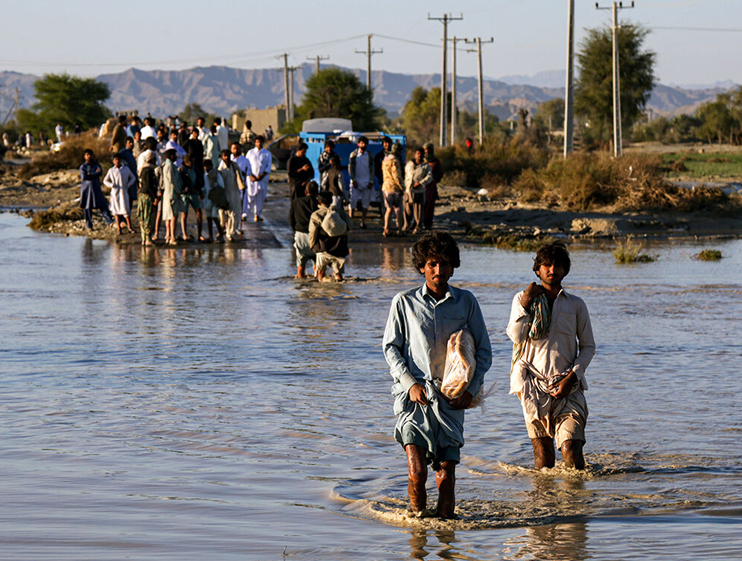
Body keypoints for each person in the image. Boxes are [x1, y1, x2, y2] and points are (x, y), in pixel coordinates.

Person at [382, 231, 492, 518]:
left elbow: (484, 353)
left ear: (453, 266)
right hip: (414, 400)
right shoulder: (403, 302)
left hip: (451, 400)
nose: (438, 270)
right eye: (432, 264)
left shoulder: (466, 302)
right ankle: (417, 530)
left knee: (445, 478)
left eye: (444, 264)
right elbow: (391, 348)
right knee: (417, 473)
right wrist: (410, 384)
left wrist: (470, 392)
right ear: (422, 266)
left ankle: (446, 540)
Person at [507, 242, 595, 470]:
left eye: (557, 265)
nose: (552, 269)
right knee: (544, 457)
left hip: (568, 386)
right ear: (538, 270)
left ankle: (576, 501)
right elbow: (516, 336)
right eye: (546, 264)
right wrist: (526, 301)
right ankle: (545, 505)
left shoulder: (576, 305)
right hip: (533, 387)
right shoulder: (522, 299)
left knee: (571, 449)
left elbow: (588, 347)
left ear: (565, 270)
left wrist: (572, 377)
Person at [309, 191, 353, 282]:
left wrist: (311, 245)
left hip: (323, 248)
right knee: (338, 275)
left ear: (319, 202)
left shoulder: (316, 214)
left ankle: (323, 293)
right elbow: (350, 225)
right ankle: (339, 293)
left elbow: (312, 232)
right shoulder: (339, 211)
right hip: (339, 247)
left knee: (321, 274)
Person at [289, 180, 319, 279]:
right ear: (317, 192)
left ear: (306, 192)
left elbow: (291, 219)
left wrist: (296, 229)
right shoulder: (319, 203)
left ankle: (301, 287)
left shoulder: (296, 202)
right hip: (315, 236)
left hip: (300, 234)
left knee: (301, 264)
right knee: (317, 263)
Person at [79, 149, 113, 230]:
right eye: (87, 155)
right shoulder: (83, 167)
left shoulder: (96, 165)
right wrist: (94, 174)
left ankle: (110, 222)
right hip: (86, 190)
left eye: (90, 154)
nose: (89, 156)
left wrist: (90, 174)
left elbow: (100, 172)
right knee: (87, 208)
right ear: (84, 156)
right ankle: (89, 225)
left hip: (96, 188)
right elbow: (84, 176)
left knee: (103, 205)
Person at [103, 153, 136, 235]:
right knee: (116, 211)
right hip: (115, 193)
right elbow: (105, 180)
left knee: (126, 211)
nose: (117, 161)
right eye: (115, 160)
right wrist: (111, 185)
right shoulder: (111, 170)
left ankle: (129, 227)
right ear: (113, 161)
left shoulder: (125, 169)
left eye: (118, 159)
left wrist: (128, 185)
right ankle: (119, 229)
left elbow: (133, 177)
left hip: (124, 192)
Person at [404, 147, 432, 234]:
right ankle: (406, 226)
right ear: (415, 154)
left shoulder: (425, 166)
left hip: (419, 191)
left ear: (423, 155)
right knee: (407, 210)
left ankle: (418, 227)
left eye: (421, 154)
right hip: (408, 190)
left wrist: (420, 183)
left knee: (418, 211)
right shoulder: (409, 164)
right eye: (418, 153)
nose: (419, 155)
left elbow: (430, 177)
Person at [348, 135, 374, 228]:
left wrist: (371, 181)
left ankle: (363, 221)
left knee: (365, 203)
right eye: (361, 143)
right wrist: (353, 180)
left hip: (367, 182)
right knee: (352, 202)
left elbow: (372, 168)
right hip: (356, 182)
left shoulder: (370, 155)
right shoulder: (354, 155)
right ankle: (350, 221)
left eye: (365, 143)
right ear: (358, 144)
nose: (363, 145)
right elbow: (350, 168)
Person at [218, 150, 243, 241]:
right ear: (222, 157)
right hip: (224, 194)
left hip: (234, 193)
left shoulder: (234, 165)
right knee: (223, 215)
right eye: (225, 156)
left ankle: (229, 233)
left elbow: (240, 179)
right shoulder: (221, 168)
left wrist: (242, 185)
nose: (227, 157)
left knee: (234, 214)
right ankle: (221, 230)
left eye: (228, 155)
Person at [160, 148, 184, 245]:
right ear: (171, 156)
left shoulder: (167, 165)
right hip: (172, 193)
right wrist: (178, 191)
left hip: (168, 193)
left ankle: (168, 236)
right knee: (173, 215)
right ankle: (172, 237)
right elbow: (172, 180)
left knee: (168, 216)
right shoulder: (170, 166)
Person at [245, 136, 271, 222]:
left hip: (261, 179)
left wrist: (261, 175)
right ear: (255, 143)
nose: (259, 143)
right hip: (251, 178)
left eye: (260, 142)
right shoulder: (250, 152)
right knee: (248, 197)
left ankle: (257, 215)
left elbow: (268, 166)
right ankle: (245, 214)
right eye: (257, 142)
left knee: (260, 198)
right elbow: (246, 164)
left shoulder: (267, 153)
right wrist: (250, 175)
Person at [382, 143, 405, 237]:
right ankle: (400, 230)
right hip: (394, 187)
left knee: (388, 209)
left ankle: (386, 229)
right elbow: (397, 176)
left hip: (386, 187)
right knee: (398, 209)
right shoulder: (394, 161)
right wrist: (402, 187)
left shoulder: (385, 159)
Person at [179, 154, 203, 241]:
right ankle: (184, 234)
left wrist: (198, 190)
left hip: (195, 193)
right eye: (191, 162)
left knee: (199, 212)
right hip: (185, 194)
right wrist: (188, 189)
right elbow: (181, 182)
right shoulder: (182, 170)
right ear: (186, 162)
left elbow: (199, 180)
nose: (192, 163)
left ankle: (199, 234)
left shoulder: (195, 169)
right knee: (184, 213)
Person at [137, 151, 159, 246]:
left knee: (143, 217)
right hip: (148, 197)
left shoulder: (143, 170)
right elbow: (149, 186)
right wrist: (155, 198)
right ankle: (148, 238)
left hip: (142, 196)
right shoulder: (149, 171)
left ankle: (144, 239)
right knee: (148, 217)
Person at [202, 158, 226, 243]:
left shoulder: (216, 174)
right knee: (208, 218)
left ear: (211, 166)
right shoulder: (205, 175)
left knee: (215, 217)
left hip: (215, 199)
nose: (206, 168)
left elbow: (221, 186)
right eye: (205, 166)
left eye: (207, 166)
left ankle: (221, 235)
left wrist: (215, 193)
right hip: (207, 199)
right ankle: (211, 236)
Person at [423, 143, 443, 230]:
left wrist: (434, 180)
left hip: (431, 187)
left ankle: (428, 224)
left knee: (430, 206)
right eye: (425, 149)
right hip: (421, 186)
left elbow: (440, 174)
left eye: (428, 149)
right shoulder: (421, 160)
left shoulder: (436, 161)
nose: (427, 151)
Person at [230, 142, 251, 221]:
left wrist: (242, 173)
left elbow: (249, 172)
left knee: (240, 203)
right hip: (230, 184)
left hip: (240, 185)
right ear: (231, 149)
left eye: (237, 149)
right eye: (234, 149)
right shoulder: (228, 160)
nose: (235, 150)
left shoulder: (245, 160)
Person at [119, 137, 139, 211]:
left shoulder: (131, 154)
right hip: (126, 180)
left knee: (130, 200)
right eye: (129, 142)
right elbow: (116, 159)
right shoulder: (123, 153)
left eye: (132, 142)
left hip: (132, 180)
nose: (131, 144)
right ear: (126, 144)